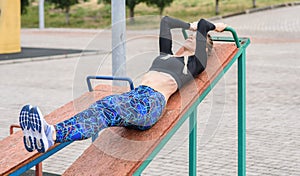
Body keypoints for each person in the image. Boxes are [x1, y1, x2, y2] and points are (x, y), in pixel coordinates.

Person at [19, 16, 227, 153]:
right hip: (136, 95)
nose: (190, 37)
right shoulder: (166, 56)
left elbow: (202, 24)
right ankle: (50, 132)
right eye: (190, 35)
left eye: (195, 37)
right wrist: (189, 26)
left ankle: (52, 134)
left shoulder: (194, 64)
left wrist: (211, 27)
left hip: (150, 104)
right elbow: (165, 22)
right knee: (102, 106)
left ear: (203, 47)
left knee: (108, 108)